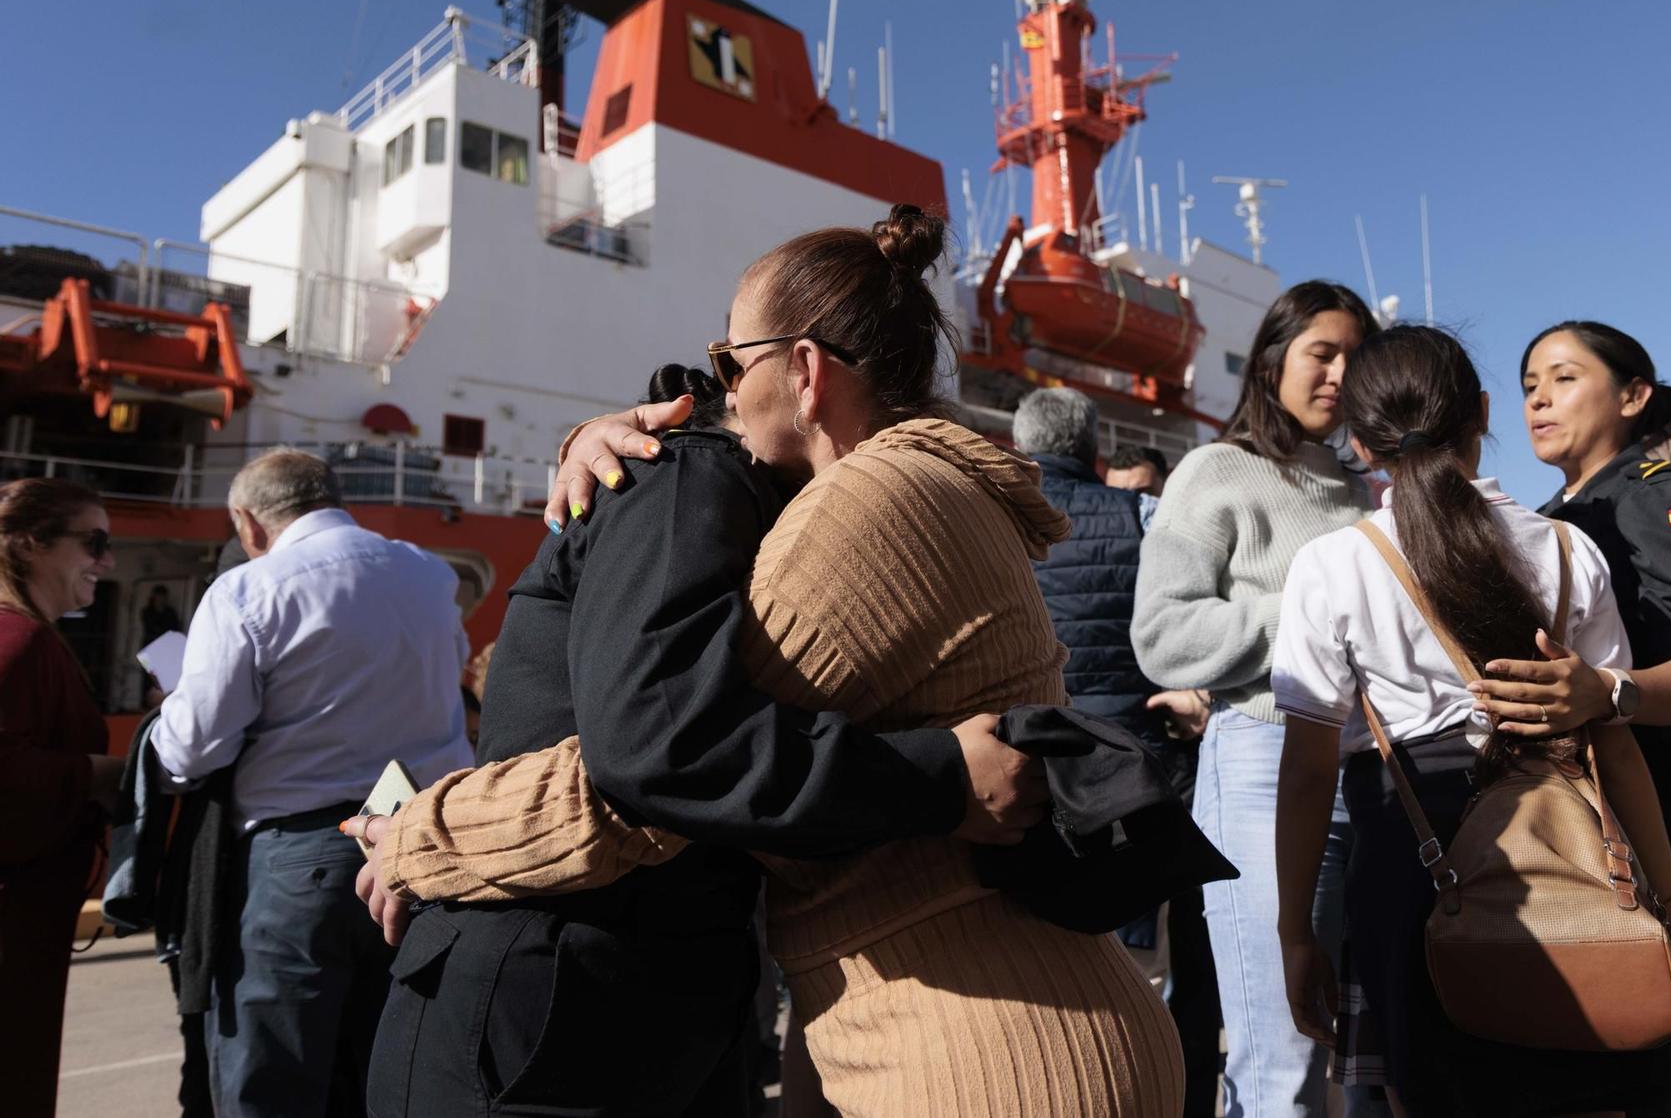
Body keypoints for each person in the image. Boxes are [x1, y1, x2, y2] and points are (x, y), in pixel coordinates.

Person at [358, 207, 1182, 1115]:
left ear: (805, 370)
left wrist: (420, 836)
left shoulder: (873, 504)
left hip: (988, 1049)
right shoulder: (942, 485)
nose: (721, 400)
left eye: (728, 367)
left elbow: (661, 759)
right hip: (1013, 1016)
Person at [351, 348, 1048, 1118]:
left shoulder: (771, 506)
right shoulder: (695, 482)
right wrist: (942, 779)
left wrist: (419, 838)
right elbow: (653, 759)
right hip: (554, 992)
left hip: (621, 993)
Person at [1273, 325, 1671, 1117]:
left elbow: (1307, 773)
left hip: (1411, 865)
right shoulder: (1569, 549)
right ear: (1481, 412)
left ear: (1361, 443)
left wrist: (1295, 934)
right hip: (1576, 853)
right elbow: (1616, 753)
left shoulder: (1331, 564)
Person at [151, 450, 473, 1118]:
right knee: (389, 1072)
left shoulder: (247, 590)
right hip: (421, 846)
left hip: (300, 860)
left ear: (249, 522)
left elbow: (194, 747)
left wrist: (162, 727)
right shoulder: (429, 573)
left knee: (274, 1083)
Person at [1132, 279, 1384, 1117]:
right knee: (1283, 1055)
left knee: (1364, 1052)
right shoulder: (1214, 469)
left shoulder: (1360, 487)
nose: (1340, 375)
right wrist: (1312, 611)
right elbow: (1163, 635)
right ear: (1272, 360)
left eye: (1356, 358)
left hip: (1370, 769)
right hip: (1261, 763)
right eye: (1322, 353)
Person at [1514, 321, 1671, 1101]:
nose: (1540, 400)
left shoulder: (1662, 496)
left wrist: (1612, 691)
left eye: (1563, 378)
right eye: (1529, 386)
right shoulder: (1543, 516)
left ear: (1633, 395)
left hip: (1657, 807)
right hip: (1573, 809)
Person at [1013, 386, 1221, 1117]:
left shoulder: (992, 523)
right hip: (1138, 771)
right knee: (1145, 966)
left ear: (1021, 447)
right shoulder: (1143, 514)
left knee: (1042, 972)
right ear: (1093, 449)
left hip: (1028, 772)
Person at [0, 478, 122, 1118]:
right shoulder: (21, 643)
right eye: (93, 543)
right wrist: (105, 773)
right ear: (29, 544)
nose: (107, 561)